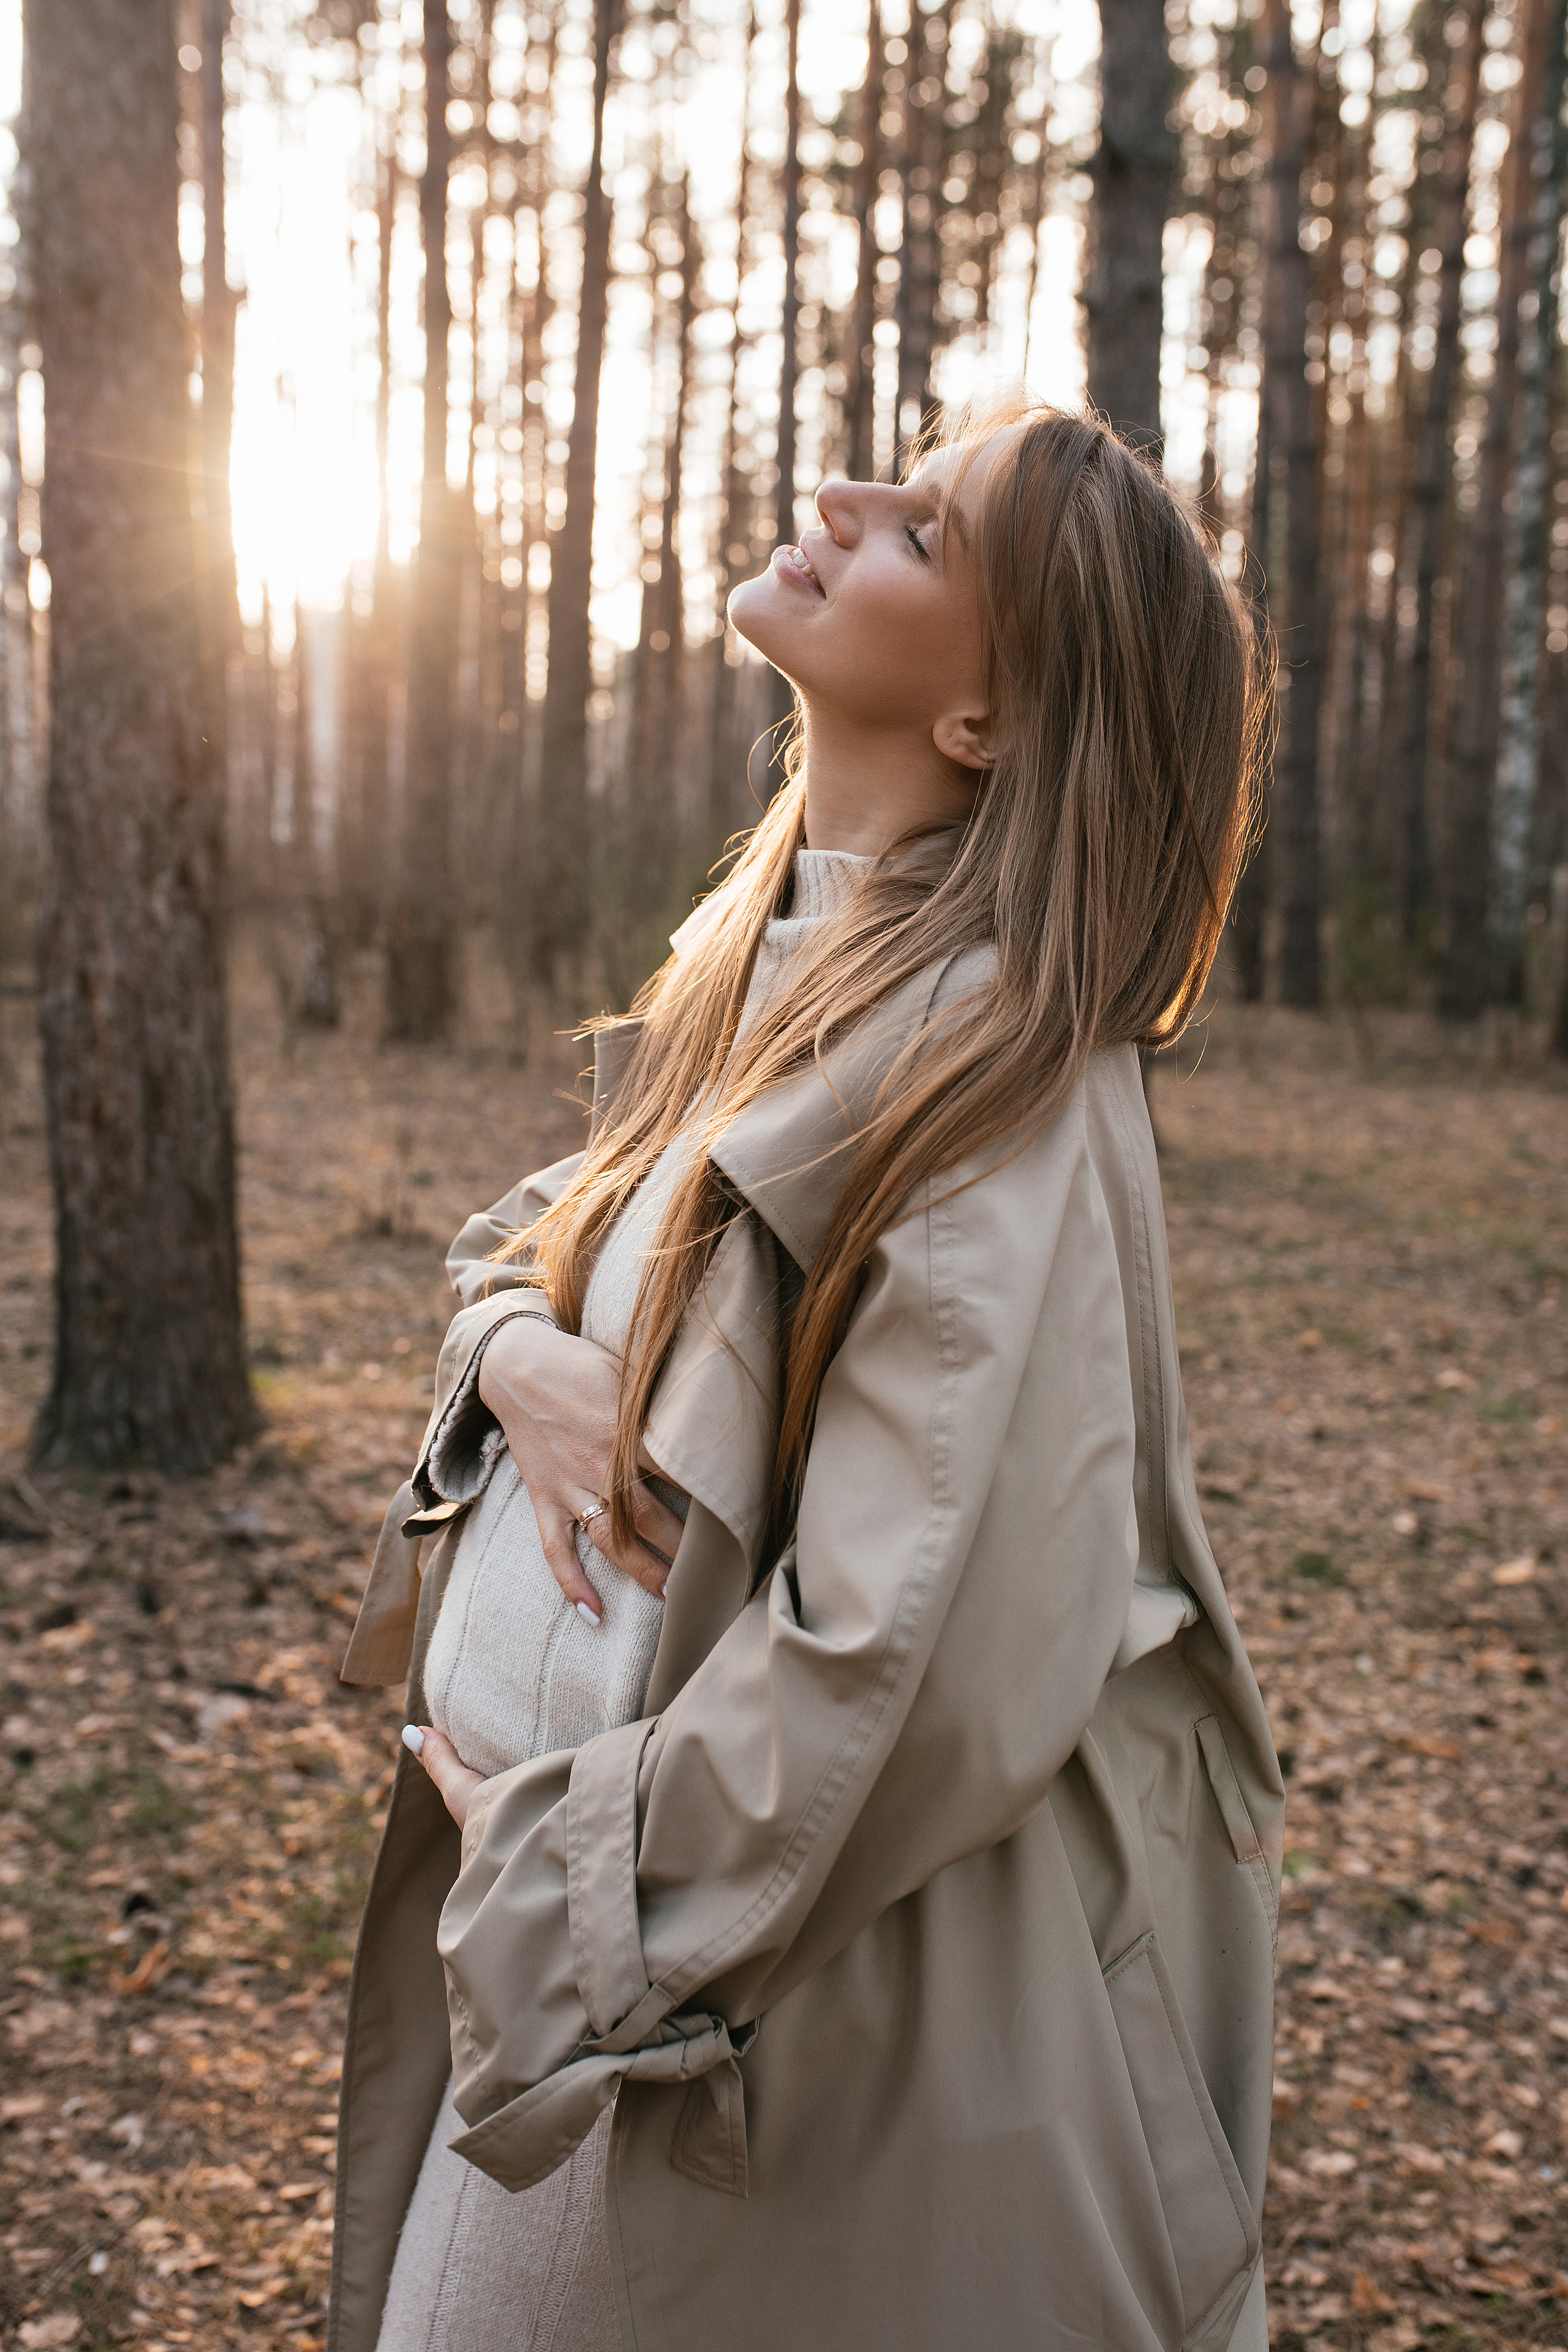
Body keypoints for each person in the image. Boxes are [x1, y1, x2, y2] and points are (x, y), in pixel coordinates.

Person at [330, 394, 1283, 2352]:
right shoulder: (763, 972)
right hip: (604, 2022)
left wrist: (552, 1885)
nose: (844, 498)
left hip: (726, 2060)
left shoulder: (996, 1068)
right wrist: (523, 1352)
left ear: (990, 724)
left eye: (925, 532)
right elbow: (528, 1234)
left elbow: (902, 1668)